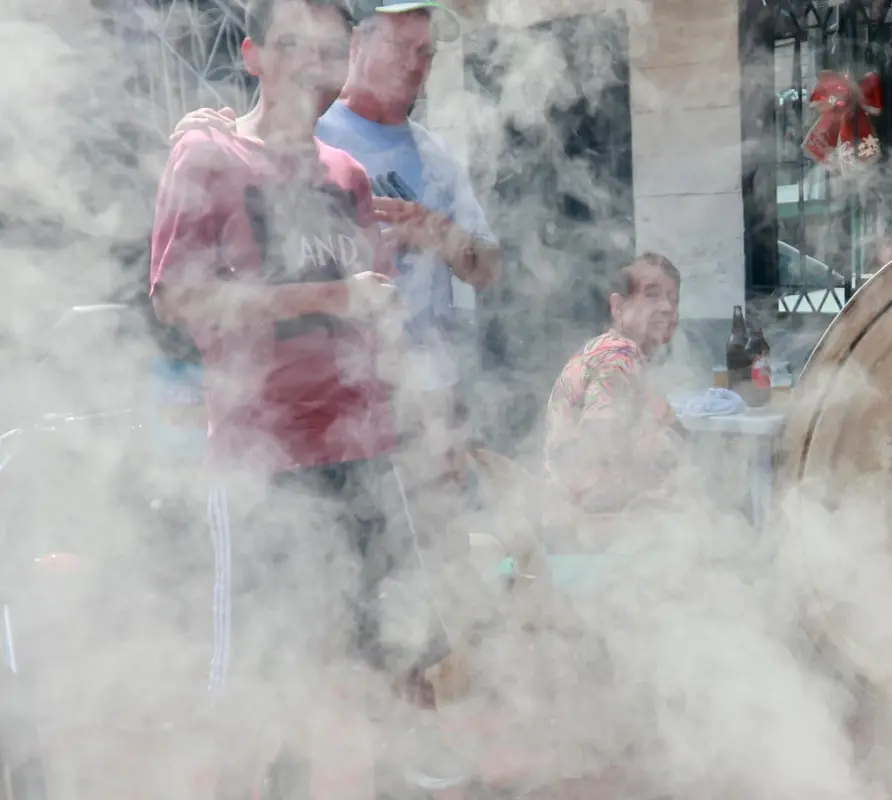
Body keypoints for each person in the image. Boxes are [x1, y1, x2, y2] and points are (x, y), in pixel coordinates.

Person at [148, 0, 470, 794]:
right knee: (262, 676)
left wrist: (422, 422)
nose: (310, 64)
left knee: (399, 651)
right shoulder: (209, 157)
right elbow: (177, 301)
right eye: (291, 45)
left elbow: (377, 313)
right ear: (253, 54)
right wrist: (323, 297)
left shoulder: (346, 174)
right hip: (262, 458)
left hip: (364, 446)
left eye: (328, 50)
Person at [170, 0, 501, 494]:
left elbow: (489, 270)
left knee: (431, 550)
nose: (414, 64)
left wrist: (441, 233)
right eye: (399, 47)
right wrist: (203, 129)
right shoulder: (308, 127)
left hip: (428, 394)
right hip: (318, 418)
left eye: (425, 52)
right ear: (357, 45)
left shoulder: (437, 157)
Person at [544, 253, 686, 514]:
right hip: (592, 524)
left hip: (579, 515)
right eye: (652, 295)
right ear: (618, 308)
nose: (667, 308)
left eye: (673, 299)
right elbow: (598, 452)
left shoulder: (616, 353)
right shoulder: (618, 356)